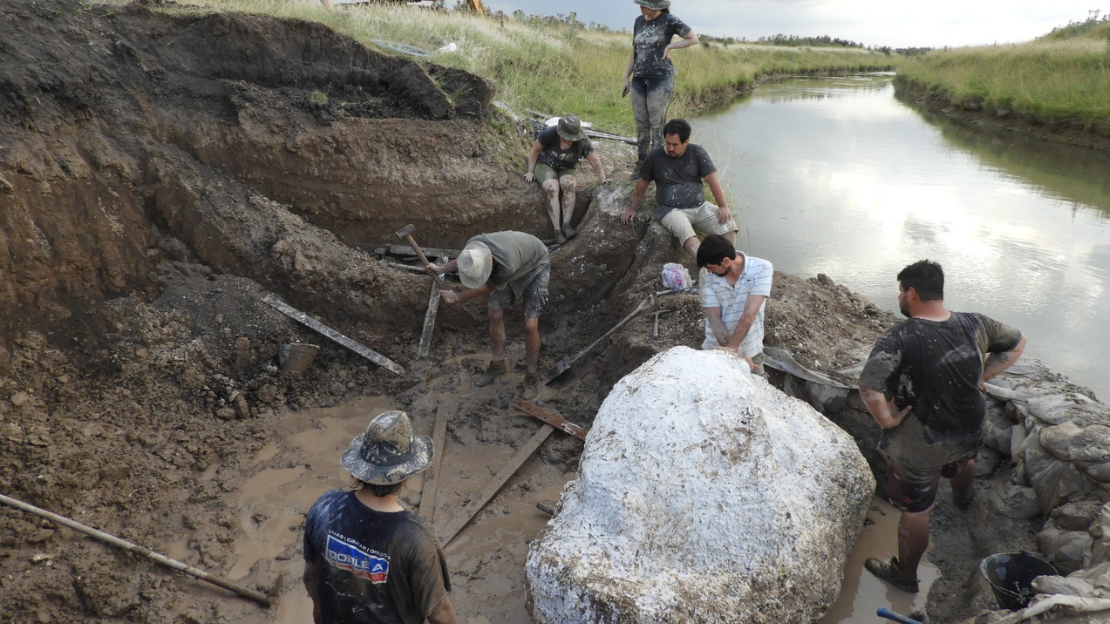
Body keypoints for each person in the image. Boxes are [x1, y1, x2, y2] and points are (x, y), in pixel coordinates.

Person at [859, 260, 1026, 593]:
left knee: (917, 510)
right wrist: (983, 375)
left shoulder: (899, 337)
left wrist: (888, 420)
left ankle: (905, 576)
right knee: (964, 459)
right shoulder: (975, 324)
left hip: (920, 443)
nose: (899, 297)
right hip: (969, 428)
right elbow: (1018, 342)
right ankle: (964, 496)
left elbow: (869, 387)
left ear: (911, 292)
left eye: (900, 291)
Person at [303, 410, 457, 624]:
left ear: (362, 467)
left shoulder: (324, 508)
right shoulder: (415, 538)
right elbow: (439, 612)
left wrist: (319, 614)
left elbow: (312, 577)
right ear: (407, 473)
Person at [424, 231, 549, 398]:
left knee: (530, 324)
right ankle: (497, 365)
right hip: (515, 258)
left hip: (536, 263)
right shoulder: (474, 243)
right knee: (494, 312)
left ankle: (531, 376)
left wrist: (457, 296)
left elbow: (487, 288)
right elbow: (464, 260)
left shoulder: (506, 266)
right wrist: (440, 268)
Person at [619, 118, 737, 258]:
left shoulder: (697, 152)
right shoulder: (654, 157)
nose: (670, 148)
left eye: (675, 145)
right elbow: (641, 185)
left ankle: (727, 261)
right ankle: (706, 263)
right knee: (686, 233)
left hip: (700, 207)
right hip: (670, 210)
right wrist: (633, 207)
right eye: (667, 143)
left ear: (686, 141)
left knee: (729, 226)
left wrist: (723, 206)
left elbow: (713, 181)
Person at [622, 0, 698, 177]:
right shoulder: (639, 21)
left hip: (661, 78)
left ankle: (657, 167)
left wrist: (671, 45)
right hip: (639, 79)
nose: (640, 6)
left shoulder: (669, 20)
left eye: (644, 4)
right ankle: (641, 164)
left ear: (656, 6)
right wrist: (626, 77)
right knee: (641, 123)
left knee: (657, 125)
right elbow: (635, 51)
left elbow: (693, 38)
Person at [695, 234, 772, 375]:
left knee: (758, 390)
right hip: (716, 349)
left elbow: (749, 314)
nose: (708, 271)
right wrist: (733, 354)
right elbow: (714, 318)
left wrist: (733, 349)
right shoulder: (706, 274)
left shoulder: (762, 268)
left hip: (751, 349)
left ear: (726, 261)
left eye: (711, 267)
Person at [524, 114, 607, 244]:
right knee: (552, 189)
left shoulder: (583, 140)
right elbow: (535, 150)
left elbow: (594, 161)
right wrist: (530, 170)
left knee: (569, 186)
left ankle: (566, 225)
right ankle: (556, 230)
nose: (569, 140)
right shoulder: (550, 133)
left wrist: (602, 179)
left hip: (567, 167)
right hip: (545, 164)